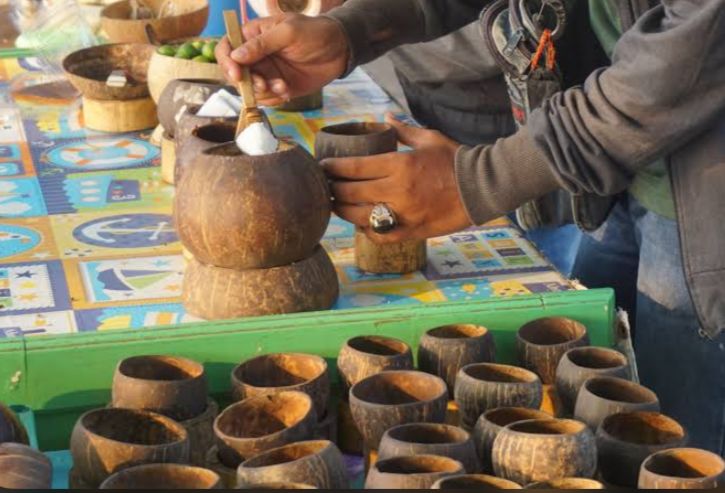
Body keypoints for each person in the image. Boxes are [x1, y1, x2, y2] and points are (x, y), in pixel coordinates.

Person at [217, 0, 725, 455]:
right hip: (618, 169)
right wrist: (352, 31)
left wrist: (481, 181)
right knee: (600, 411)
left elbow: (681, 62)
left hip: (702, 191)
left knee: (683, 441)